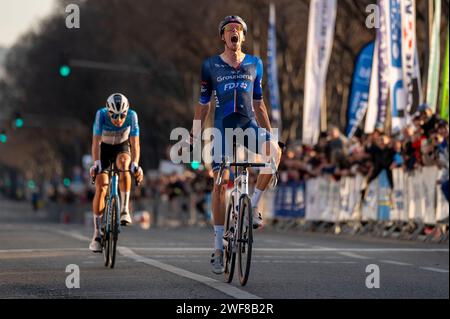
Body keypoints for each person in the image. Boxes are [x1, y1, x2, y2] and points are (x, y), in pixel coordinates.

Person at [188, 16, 282, 274]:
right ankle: (219, 248)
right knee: (220, 182)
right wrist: (195, 135)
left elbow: (259, 103)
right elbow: (204, 104)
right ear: (223, 37)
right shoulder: (210, 65)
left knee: (274, 153)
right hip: (222, 130)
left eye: (238, 30)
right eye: (229, 30)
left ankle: (252, 208)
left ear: (243, 36)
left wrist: (270, 134)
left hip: (248, 126)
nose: (234, 33)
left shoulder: (255, 63)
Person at [88, 93, 144, 252]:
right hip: (104, 149)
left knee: (125, 164)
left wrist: (135, 164)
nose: (118, 119)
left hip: (122, 147)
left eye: (122, 115)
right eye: (114, 115)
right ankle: (97, 234)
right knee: (101, 186)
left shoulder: (132, 116)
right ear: (108, 111)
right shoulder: (101, 115)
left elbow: (135, 144)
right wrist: (96, 163)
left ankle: (124, 209)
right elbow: (95, 142)